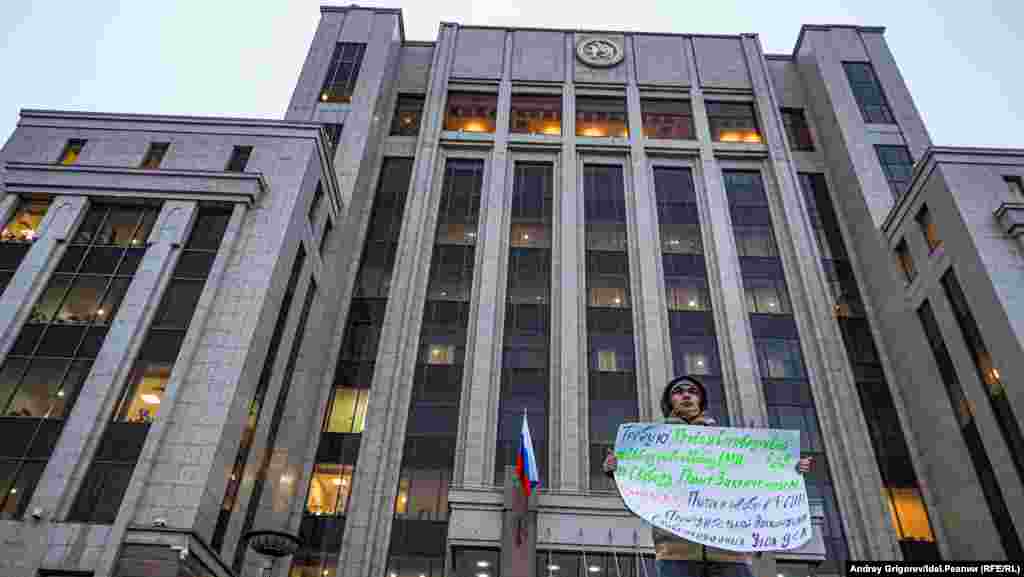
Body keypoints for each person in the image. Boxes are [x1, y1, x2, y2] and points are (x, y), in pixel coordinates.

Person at [602, 375, 813, 577]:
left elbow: (757, 480)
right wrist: (619, 470)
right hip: (676, 552)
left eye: (693, 391)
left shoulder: (729, 443)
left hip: (729, 550)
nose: (686, 395)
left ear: (701, 400)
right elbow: (640, 495)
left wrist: (790, 469)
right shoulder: (652, 445)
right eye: (678, 391)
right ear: (669, 401)